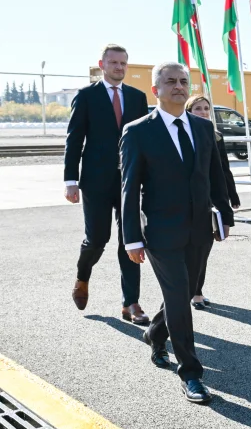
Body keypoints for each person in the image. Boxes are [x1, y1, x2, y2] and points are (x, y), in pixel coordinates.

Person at [120, 62, 234, 405]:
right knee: (177, 295)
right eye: (170, 81)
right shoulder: (138, 131)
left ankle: (155, 333)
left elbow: (215, 175)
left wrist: (225, 215)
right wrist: (131, 237)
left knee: (182, 295)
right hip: (161, 232)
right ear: (156, 89)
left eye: (184, 81)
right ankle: (191, 373)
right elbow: (129, 188)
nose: (179, 86)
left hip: (200, 229)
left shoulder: (203, 127)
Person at [64, 44, 150, 325]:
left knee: (131, 239)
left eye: (123, 63)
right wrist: (71, 180)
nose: (119, 67)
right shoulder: (86, 96)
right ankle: (82, 276)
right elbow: (74, 140)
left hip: (129, 181)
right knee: (97, 239)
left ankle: (130, 303)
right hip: (96, 181)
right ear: (102, 64)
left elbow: (145, 141)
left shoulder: (137, 97)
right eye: (113, 62)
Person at [184, 95, 241, 310]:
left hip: (210, 199)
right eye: (198, 108)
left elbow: (223, 170)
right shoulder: (183, 134)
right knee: (188, 251)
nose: (203, 112)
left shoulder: (215, 136)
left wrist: (232, 196)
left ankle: (197, 291)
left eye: (206, 108)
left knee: (203, 249)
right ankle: (187, 291)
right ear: (189, 111)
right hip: (187, 199)